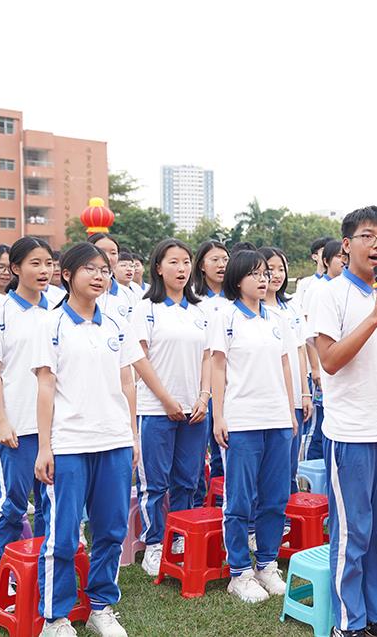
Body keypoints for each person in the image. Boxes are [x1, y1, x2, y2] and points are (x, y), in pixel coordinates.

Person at [311, 206, 377, 637]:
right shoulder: (331, 294)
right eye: (368, 236)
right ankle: (348, 623)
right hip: (351, 432)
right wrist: (374, 316)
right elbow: (330, 361)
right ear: (347, 244)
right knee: (354, 531)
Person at [33, 242, 142, 637]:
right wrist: (44, 447)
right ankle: (56, 617)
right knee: (62, 536)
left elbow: (127, 382)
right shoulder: (50, 324)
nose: (100, 276)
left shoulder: (115, 324)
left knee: (111, 531)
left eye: (104, 270)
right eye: (90, 269)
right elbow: (45, 387)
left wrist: (132, 436)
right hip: (69, 445)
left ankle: (101, 606)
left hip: (114, 441)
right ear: (67, 275)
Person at [211, 250, 297, 604]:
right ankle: (239, 572)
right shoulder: (225, 316)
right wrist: (219, 415)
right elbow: (217, 366)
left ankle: (266, 564)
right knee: (240, 500)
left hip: (277, 419)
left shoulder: (277, 318)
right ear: (237, 278)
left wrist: (290, 410)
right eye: (255, 274)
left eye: (266, 274)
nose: (264, 280)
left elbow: (285, 364)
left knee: (275, 498)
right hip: (243, 419)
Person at [0, 237, 55, 606]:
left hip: (52, 429)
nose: (44, 271)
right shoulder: (0, 311)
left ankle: (43, 570)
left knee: (50, 503)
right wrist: (2, 421)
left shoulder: (58, 308)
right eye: (35, 263)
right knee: (12, 502)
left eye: (48, 263)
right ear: (15, 268)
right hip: (15, 426)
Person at [131, 239, 211, 577]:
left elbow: (208, 356)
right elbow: (140, 358)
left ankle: (178, 537)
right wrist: (165, 399)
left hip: (195, 410)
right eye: (174, 262)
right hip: (155, 408)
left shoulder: (200, 310)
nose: (182, 269)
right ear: (158, 268)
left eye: (186, 262)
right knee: (155, 482)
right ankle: (154, 543)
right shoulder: (146, 308)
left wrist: (204, 397)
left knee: (188, 480)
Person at [260, 247, 312, 492]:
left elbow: (300, 350)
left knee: (291, 463)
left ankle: (288, 509)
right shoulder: (254, 308)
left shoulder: (291, 305)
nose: (277, 275)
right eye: (270, 269)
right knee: (269, 466)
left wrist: (305, 392)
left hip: (295, 396)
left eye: (281, 269)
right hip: (269, 395)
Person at [192, 240, 230, 505]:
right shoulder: (194, 299)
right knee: (197, 452)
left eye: (225, 259)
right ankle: (199, 505)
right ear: (202, 266)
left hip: (230, 386)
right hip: (199, 386)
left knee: (224, 448)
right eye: (215, 260)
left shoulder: (235, 298)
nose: (221, 265)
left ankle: (220, 503)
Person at [302, 239, 347, 461]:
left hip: (340, 369)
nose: (343, 261)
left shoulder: (344, 289)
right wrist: (315, 368)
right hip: (322, 366)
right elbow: (310, 333)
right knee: (318, 425)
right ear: (326, 261)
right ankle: (310, 469)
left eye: (346, 257)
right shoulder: (318, 289)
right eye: (339, 256)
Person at [88, 233, 136, 323]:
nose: (108, 257)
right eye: (101, 252)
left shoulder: (127, 294)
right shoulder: (78, 292)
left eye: (113, 253)